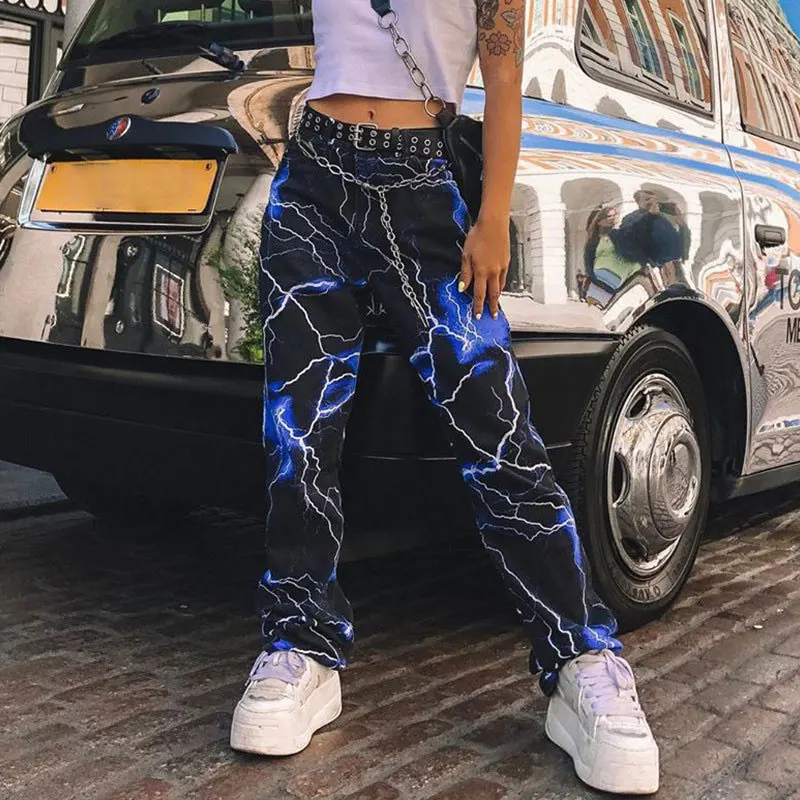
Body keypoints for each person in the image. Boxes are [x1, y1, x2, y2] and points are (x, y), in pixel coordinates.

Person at [229, 1, 659, 794]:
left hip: (423, 188)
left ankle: (581, 658)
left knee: (499, 435)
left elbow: (503, 76)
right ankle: (301, 643)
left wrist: (492, 215)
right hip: (313, 181)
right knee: (298, 432)